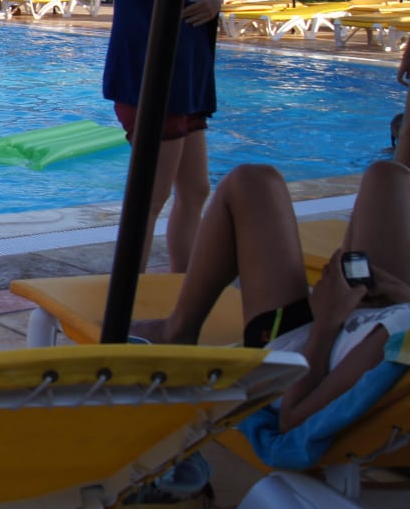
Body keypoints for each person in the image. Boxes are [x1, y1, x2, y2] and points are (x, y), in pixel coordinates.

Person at [129, 145, 410, 433]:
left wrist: (328, 320)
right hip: (383, 312)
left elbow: (294, 418)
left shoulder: (388, 346)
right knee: (388, 176)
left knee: (248, 183)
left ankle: (179, 329)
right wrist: (402, 295)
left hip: (302, 347)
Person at [102, 0, 222, 272]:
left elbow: (187, 15)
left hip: (180, 90)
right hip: (155, 92)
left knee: (195, 190)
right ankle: (128, 289)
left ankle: (181, 280)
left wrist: (213, 4)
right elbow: (168, 21)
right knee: (151, 198)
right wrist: (211, 4)